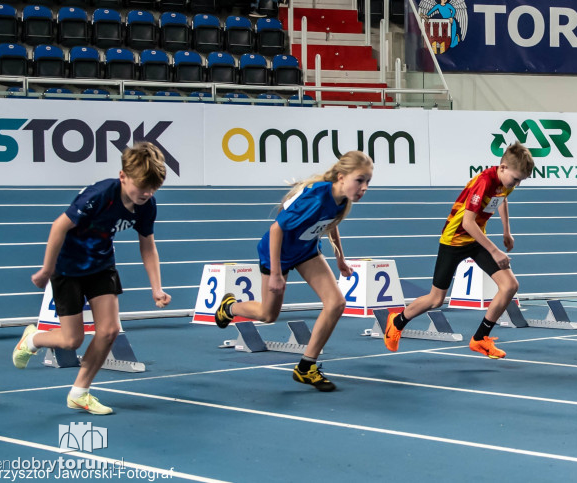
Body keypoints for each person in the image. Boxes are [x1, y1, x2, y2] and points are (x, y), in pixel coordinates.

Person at [12, 143, 171, 415]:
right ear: (123, 176)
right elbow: (59, 226)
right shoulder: (99, 195)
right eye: (142, 186)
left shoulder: (147, 205)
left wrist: (156, 287)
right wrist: (47, 269)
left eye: (153, 187)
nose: (147, 193)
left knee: (108, 331)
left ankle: (79, 392)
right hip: (68, 269)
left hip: (101, 266)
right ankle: (34, 339)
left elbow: (148, 245)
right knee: (72, 340)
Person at [215, 151, 373, 391]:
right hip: (276, 253)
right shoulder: (317, 198)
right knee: (268, 316)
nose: (364, 188)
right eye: (359, 180)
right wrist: (277, 273)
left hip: (306, 251)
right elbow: (276, 229)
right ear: (341, 177)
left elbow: (331, 224)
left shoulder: (342, 200)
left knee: (336, 303)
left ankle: (306, 367)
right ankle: (230, 307)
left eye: (368, 182)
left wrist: (340, 258)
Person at [383, 143, 535, 359]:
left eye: (521, 181)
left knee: (510, 285)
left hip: (474, 240)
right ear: (502, 168)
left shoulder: (505, 181)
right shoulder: (483, 182)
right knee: (436, 299)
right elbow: (468, 222)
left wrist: (506, 231)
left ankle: (480, 339)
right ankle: (396, 322)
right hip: (453, 241)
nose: (517, 184)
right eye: (516, 179)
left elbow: (502, 197)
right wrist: (495, 251)